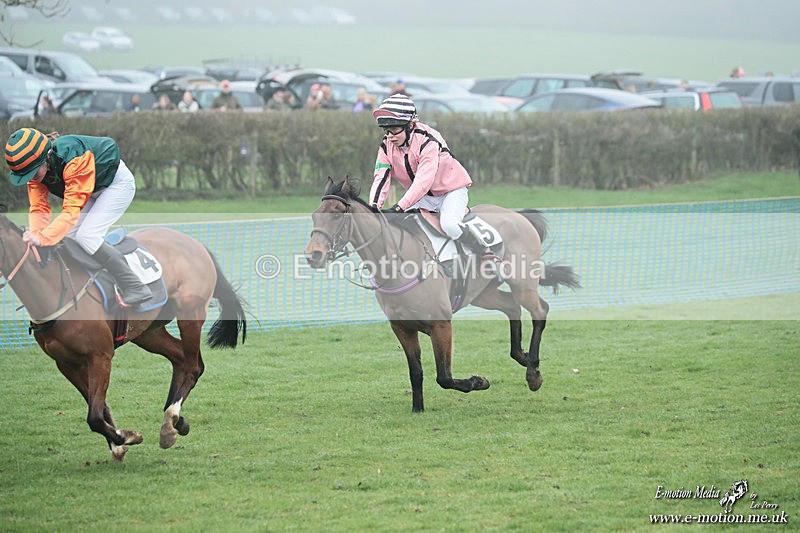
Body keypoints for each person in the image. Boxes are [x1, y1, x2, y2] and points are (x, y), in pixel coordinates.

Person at [4, 128, 152, 306]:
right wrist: (37, 237)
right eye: (27, 176)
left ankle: (135, 286)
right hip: (90, 190)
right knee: (67, 238)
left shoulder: (74, 159)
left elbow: (71, 211)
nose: (33, 179)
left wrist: (42, 238)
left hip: (116, 185)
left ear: (46, 158)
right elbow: (39, 208)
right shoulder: (35, 171)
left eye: (33, 173)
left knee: (87, 235)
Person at [368, 94, 500, 277]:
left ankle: (485, 253)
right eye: (386, 130)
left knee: (450, 225)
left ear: (410, 125)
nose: (390, 136)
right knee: (399, 225)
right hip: (422, 198)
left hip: (450, 192)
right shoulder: (386, 146)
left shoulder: (428, 139)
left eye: (395, 129)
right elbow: (381, 177)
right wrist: (373, 208)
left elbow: (424, 180)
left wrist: (399, 207)